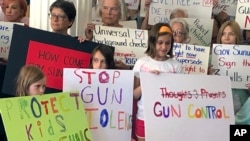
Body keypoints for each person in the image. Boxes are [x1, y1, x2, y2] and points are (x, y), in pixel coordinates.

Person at [133, 23, 183, 141]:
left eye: (167, 43)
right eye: (160, 42)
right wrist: (148, 80)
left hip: (169, 117)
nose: (164, 47)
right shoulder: (141, 63)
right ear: (153, 42)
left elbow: (180, 96)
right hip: (144, 116)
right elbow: (134, 94)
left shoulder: (176, 66)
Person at [210, 20, 250, 124]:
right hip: (215, 109)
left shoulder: (248, 59)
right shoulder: (210, 59)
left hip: (241, 110)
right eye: (223, 34)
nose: (226, 38)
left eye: (231, 34)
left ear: (237, 37)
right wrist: (207, 76)